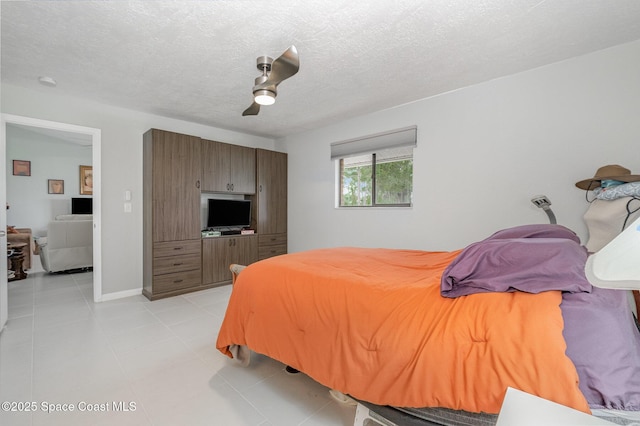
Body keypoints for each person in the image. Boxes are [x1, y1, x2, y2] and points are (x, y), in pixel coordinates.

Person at [576, 164, 640, 317]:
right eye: (602, 182)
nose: (604, 186)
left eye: (609, 181)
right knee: (604, 304)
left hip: (616, 257)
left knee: (632, 300)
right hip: (590, 255)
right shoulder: (597, 201)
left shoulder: (632, 202)